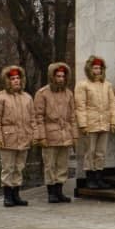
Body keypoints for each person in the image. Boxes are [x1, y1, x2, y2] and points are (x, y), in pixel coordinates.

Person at [0, 65, 37, 207]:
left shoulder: (27, 97)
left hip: (24, 137)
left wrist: (34, 135)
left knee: (19, 167)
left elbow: (32, 118)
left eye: (18, 78)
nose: (16, 81)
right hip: (7, 138)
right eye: (13, 78)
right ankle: (7, 196)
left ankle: (16, 195)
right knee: (8, 168)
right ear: (7, 81)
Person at [35, 62, 78, 204]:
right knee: (50, 165)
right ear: (52, 77)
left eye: (63, 76)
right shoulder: (42, 93)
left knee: (62, 164)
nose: (61, 79)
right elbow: (38, 117)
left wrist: (74, 135)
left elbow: (72, 116)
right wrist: (41, 136)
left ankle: (59, 191)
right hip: (50, 133)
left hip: (65, 133)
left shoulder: (68, 93)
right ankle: (51, 193)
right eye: (58, 76)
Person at [75, 56, 115, 190]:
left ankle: (99, 177)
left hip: (104, 122)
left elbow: (113, 104)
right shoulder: (83, 85)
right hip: (90, 124)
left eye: (99, 68)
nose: (97, 70)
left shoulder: (107, 85)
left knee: (101, 152)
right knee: (90, 151)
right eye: (94, 68)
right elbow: (80, 106)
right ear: (90, 69)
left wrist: (114, 121)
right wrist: (82, 124)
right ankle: (90, 178)